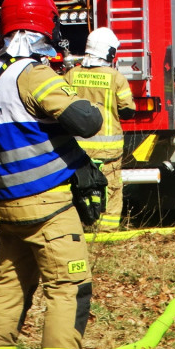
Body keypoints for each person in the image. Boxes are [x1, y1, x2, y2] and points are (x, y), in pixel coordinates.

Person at [0, 0, 104, 349]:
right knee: (69, 289)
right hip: (48, 208)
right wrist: (68, 84)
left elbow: (25, 125)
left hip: (7, 206)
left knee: (9, 290)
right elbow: (87, 122)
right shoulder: (33, 74)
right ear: (44, 27)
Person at [64, 27, 135, 233]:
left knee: (79, 187)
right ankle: (106, 233)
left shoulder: (71, 75)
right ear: (109, 52)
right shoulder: (116, 77)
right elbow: (128, 110)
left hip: (76, 149)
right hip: (108, 149)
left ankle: (82, 227)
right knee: (110, 188)